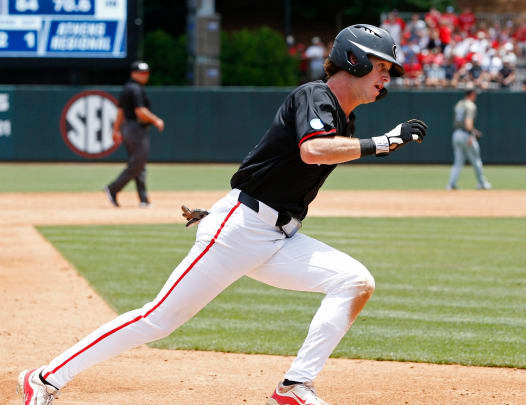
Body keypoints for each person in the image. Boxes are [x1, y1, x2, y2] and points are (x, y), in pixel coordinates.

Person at [17, 24, 427, 405]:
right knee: (158, 319)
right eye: (380, 67)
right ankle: (44, 378)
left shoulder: (344, 118)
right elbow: (312, 150)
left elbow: (283, 162)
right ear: (352, 60)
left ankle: (294, 386)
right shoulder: (314, 96)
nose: (386, 77)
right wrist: (384, 142)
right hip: (241, 229)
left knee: (354, 281)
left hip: (276, 236)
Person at [103, 61, 165, 208]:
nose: (145, 75)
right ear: (133, 73)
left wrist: (116, 130)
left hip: (128, 128)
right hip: (136, 129)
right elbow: (140, 112)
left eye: (146, 72)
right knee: (137, 163)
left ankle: (143, 199)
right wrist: (156, 120)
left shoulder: (127, 88)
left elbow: (120, 111)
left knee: (139, 164)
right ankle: (113, 188)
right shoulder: (136, 89)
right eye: (141, 72)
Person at [446, 89, 491, 190]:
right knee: (476, 160)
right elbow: (468, 123)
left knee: (458, 162)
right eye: (475, 94)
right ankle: (482, 183)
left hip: (456, 134)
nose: (476, 96)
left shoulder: (459, 104)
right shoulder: (470, 105)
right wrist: (472, 134)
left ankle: (451, 184)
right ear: (471, 94)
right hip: (466, 135)